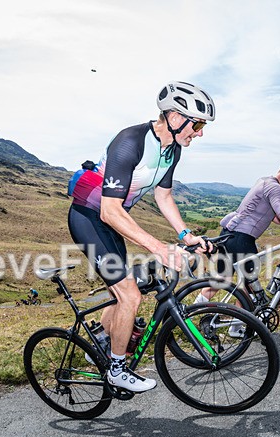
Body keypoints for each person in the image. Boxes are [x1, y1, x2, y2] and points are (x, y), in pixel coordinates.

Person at [67, 80, 215, 392]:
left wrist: (185, 235)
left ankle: (106, 344)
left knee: (120, 293)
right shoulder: (130, 141)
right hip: (89, 219)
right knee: (130, 294)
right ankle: (117, 370)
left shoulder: (172, 150)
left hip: (113, 222)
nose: (200, 132)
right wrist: (159, 247)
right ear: (175, 118)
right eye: (198, 124)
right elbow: (108, 210)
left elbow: (164, 197)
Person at [194, 156, 280, 334]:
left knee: (222, 280)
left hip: (229, 235)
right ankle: (235, 328)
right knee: (249, 288)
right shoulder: (275, 188)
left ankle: (185, 315)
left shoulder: (264, 182)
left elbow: (276, 217)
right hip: (242, 239)